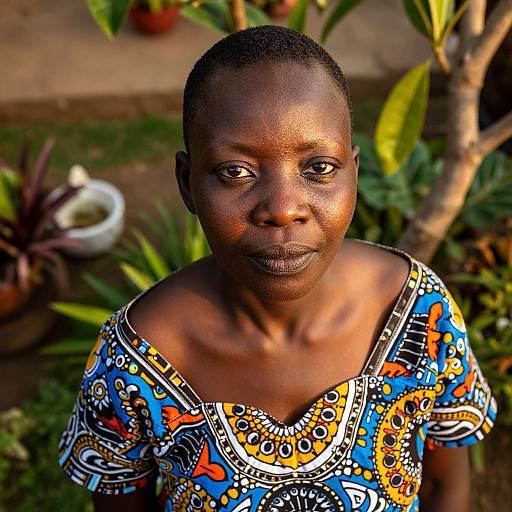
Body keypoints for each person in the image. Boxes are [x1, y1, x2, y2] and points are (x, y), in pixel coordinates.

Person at [58, 26, 497, 512]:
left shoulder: (419, 315)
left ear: (353, 171)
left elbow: (443, 488)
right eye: (235, 171)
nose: (284, 209)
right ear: (187, 185)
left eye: (319, 168)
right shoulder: (134, 359)